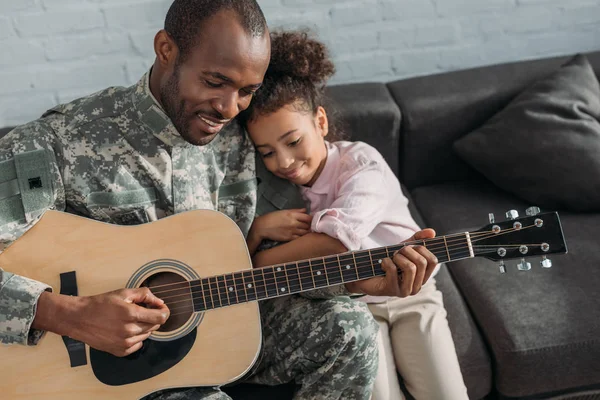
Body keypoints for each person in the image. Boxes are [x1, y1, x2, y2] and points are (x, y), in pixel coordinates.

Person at [0, 1, 439, 400]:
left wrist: (362, 282)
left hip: (227, 327)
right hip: (106, 368)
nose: (231, 107)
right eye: (216, 82)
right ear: (166, 49)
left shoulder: (249, 142)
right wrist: (64, 313)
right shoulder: (55, 143)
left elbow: (266, 267)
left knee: (350, 331)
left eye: (247, 90)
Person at [241, 30, 469, 400]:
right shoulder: (273, 187)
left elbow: (335, 242)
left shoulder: (361, 164)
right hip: (352, 302)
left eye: (293, 141)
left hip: (411, 293)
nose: (283, 162)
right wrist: (258, 228)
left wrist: (256, 261)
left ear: (321, 122)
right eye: (267, 152)